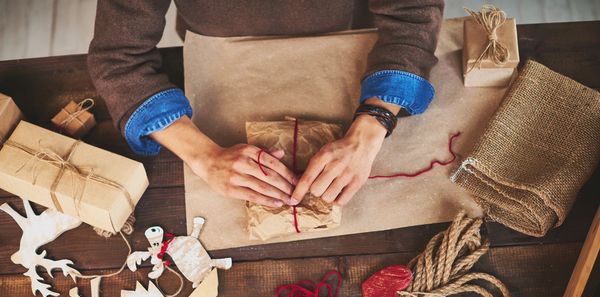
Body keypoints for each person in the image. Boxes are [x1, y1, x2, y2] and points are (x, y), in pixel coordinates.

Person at [88, 0, 443, 208]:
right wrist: (205, 157)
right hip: (220, 49)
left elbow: (411, 14)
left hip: (346, 38)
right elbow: (118, 59)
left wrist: (374, 122)